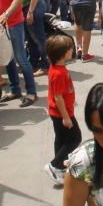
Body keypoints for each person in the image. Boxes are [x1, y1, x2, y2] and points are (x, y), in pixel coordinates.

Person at [45, 34, 80, 186]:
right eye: (70, 49)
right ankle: (54, 165)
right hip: (62, 113)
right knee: (74, 138)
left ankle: (59, 166)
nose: (72, 50)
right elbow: (58, 97)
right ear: (62, 53)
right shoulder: (59, 73)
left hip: (57, 112)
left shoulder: (57, 68)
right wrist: (66, 117)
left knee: (61, 139)